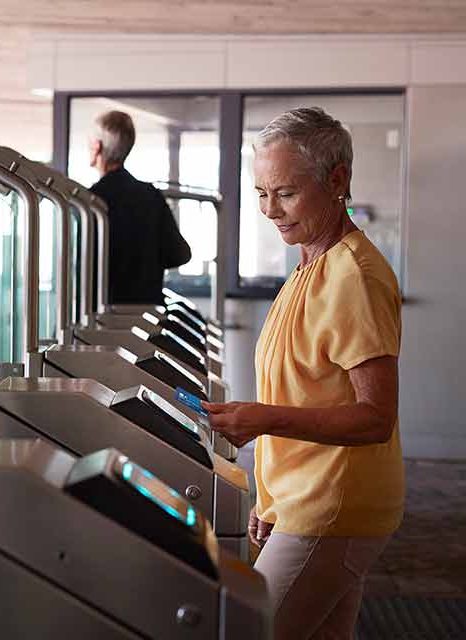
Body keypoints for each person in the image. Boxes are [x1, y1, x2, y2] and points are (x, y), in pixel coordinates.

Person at [203, 107, 404, 640]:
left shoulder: (353, 277)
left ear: (336, 181)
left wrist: (261, 419)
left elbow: (375, 418)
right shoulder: (309, 265)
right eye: (261, 193)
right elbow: (307, 391)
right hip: (305, 503)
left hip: (334, 507)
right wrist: (272, 501)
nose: (270, 210)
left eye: (286, 193)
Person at [88, 110, 191, 305]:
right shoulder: (150, 195)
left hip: (100, 321)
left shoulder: (89, 201)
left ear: (97, 147)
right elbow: (179, 254)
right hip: (147, 320)